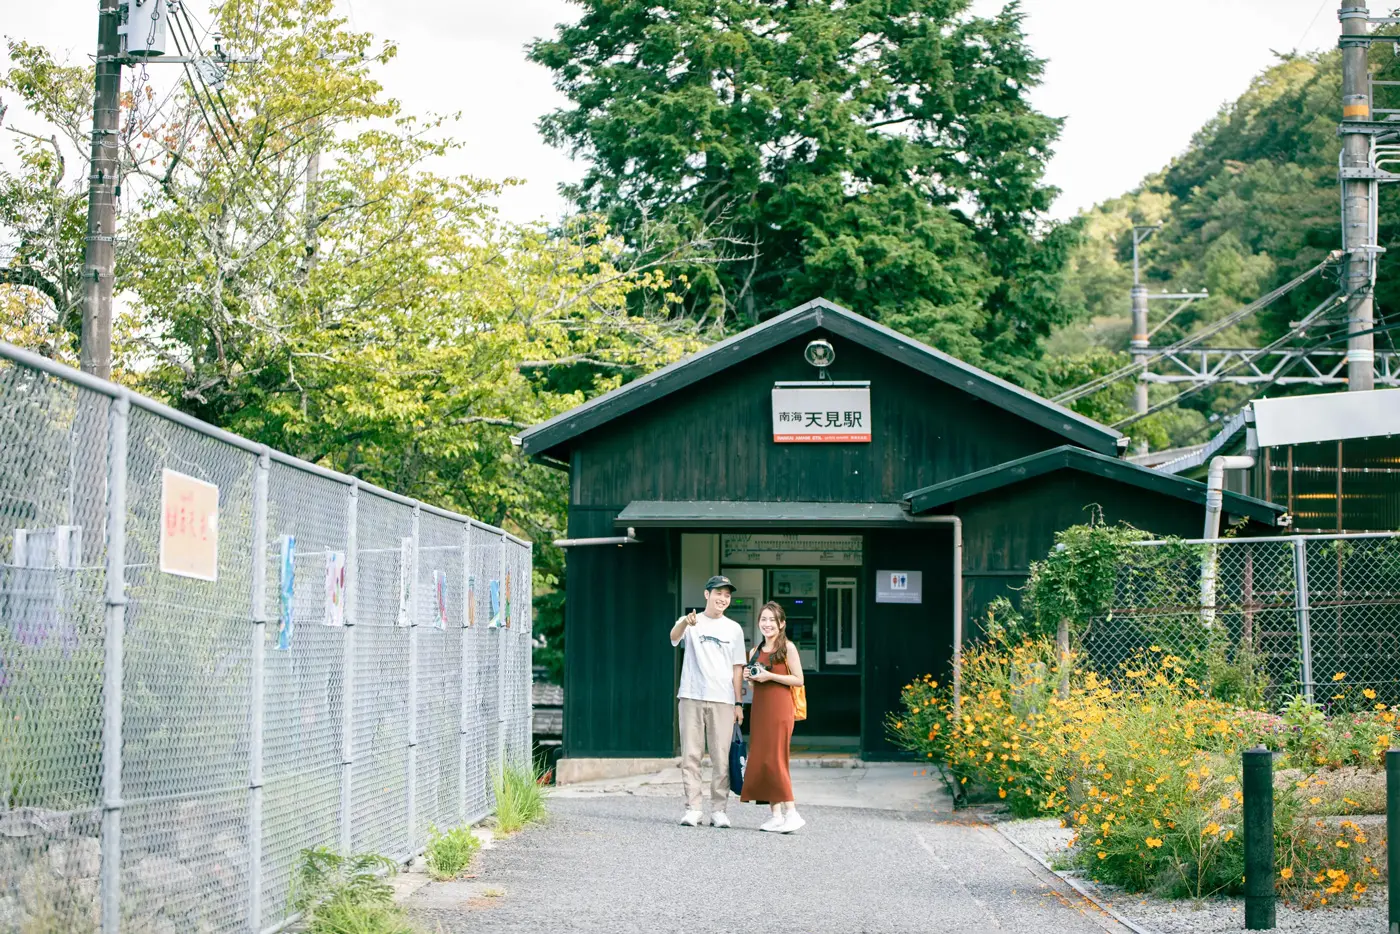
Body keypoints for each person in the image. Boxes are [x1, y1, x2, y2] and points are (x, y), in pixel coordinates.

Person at [669, 575, 747, 828]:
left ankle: (719, 810)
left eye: (727, 595)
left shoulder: (734, 628)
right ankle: (693, 808)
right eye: (718, 593)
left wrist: (738, 704)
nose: (723, 598)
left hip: (723, 700)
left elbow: (738, 668)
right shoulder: (691, 621)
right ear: (707, 595)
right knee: (691, 754)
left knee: (721, 757)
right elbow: (673, 636)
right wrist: (684, 622)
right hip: (691, 695)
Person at [740, 601, 805, 833]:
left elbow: (799, 679)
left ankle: (792, 812)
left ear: (782, 624)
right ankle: (776, 815)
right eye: (763, 620)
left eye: (771, 620)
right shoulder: (754, 651)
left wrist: (769, 675)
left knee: (777, 759)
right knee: (764, 759)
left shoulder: (788, 648)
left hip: (780, 709)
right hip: (760, 709)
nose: (767, 624)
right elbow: (754, 684)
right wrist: (750, 676)